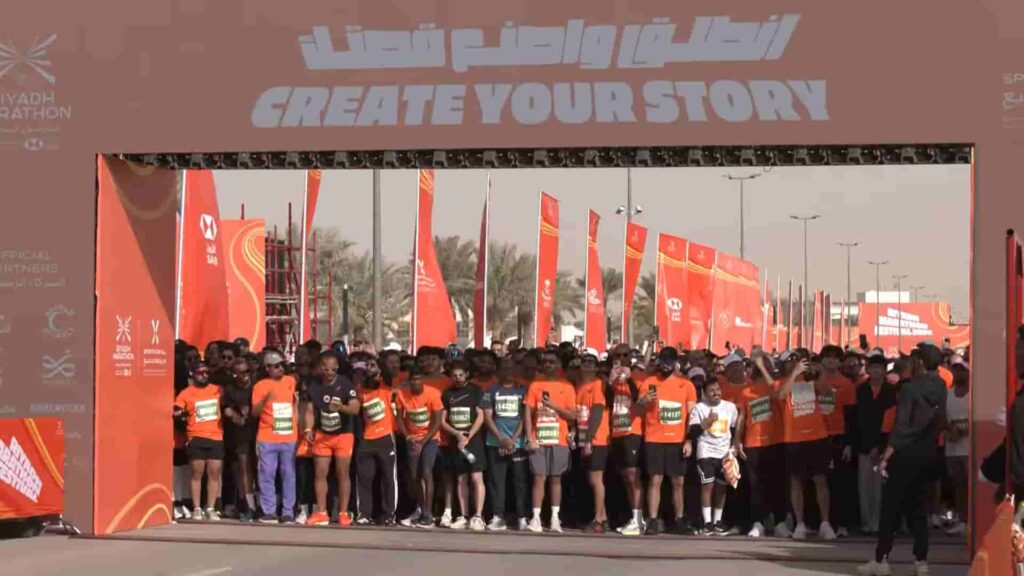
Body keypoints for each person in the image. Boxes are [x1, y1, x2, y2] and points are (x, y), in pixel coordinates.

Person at [859, 344, 948, 576]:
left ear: (918, 362)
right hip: (927, 454)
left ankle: (881, 560)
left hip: (904, 455)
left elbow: (901, 426)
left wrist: (886, 456)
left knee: (890, 509)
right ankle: (921, 562)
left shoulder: (910, 389)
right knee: (918, 510)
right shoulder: (940, 386)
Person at [774, 354, 837, 540]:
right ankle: (800, 522)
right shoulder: (782, 382)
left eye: (798, 360)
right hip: (793, 438)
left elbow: (827, 393)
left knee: (820, 480)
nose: (796, 363)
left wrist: (821, 373)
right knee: (796, 481)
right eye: (791, 361)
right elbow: (780, 396)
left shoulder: (811, 380)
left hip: (817, 436)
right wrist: (794, 374)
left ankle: (825, 523)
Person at [636, 347, 698, 535]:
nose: (666, 365)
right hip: (654, 438)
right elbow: (638, 408)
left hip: (677, 439)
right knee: (655, 479)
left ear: (675, 363)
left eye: (670, 362)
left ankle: (679, 519)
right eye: (663, 361)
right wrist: (645, 399)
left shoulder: (686, 384)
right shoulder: (649, 382)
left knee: (678, 480)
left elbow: (692, 415)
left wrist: (689, 440)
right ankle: (653, 519)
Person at [303, 352, 360, 526]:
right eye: (327, 369)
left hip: (343, 434)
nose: (330, 373)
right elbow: (310, 411)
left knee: (343, 473)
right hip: (323, 435)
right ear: (321, 368)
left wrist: (341, 407)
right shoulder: (314, 386)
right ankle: (321, 512)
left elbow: (355, 409)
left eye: (334, 369)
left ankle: (343, 513)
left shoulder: (345, 384)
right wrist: (308, 428)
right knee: (320, 473)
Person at [524, 350, 577, 533]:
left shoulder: (567, 386)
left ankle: (555, 518)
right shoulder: (535, 385)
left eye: (552, 362)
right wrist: (529, 437)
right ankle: (536, 518)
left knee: (556, 479)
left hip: (559, 438)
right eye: (545, 362)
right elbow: (528, 412)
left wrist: (553, 406)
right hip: (538, 438)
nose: (548, 365)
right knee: (539, 477)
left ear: (559, 365)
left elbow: (572, 415)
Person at [850, 354, 898, 536]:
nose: (876, 371)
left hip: (884, 446)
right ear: (868, 370)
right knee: (864, 485)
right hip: (863, 444)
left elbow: (892, 421)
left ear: (885, 371)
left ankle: (879, 522)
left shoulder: (891, 391)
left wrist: (882, 445)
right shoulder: (860, 390)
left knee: (881, 487)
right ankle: (866, 522)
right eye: (873, 368)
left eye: (880, 368)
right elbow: (855, 420)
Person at [740, 354, 784, 538]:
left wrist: (765, 368)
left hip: (775, 441)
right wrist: (737, 441)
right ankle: (757, 522)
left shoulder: (775, 386)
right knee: (756, 485)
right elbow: (742, 417)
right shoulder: (746, 392)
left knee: (777, 484)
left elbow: (778, 395)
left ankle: (780, 522)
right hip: (753, 442)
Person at [482, 358, 529, 531]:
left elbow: (525, 417)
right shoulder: (491, 390)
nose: (509, 371)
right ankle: (498, 516)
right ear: (500, 371)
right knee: (496, 481)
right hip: (495, 443)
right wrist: (501, 438)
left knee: (520, 482)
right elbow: (487, 416)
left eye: (512, 367)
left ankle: (522, 517)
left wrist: (514, 439)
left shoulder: (523, 390)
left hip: (517, 444)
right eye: (505, 368)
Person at [251, 351, 299, 523]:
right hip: (267, 437)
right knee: (267, 474)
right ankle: (269, 511)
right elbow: (254, 412)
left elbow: (295, 405)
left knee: (288, 473)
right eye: (276, 366)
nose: (280, 369)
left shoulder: (291, 381)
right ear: (268, 368)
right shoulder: (260, 386)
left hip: (289, 436)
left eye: (282, 365)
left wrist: (298, 428)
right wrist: (265, 399)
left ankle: (288, 512)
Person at [440, 360, 487, 530]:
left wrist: (468, 436)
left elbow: (481, 416)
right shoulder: (447, 394)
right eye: (454, 376)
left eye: (461, 375)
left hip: (473, 441)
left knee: (476, 478)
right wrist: (457, 434)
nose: (458, 378)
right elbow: (443, 421)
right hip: (456, 441)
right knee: (461, 479)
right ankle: (463, 515)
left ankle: (478, 516)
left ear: (466, 374)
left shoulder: (475, 391)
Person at [173, 361, 224, 521]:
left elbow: (228, 402)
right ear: (193, 375)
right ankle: (196, 508)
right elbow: (176, 411)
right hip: (196, 436)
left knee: (214, 473)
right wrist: (179, 414)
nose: (204, 375)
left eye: (206, 372)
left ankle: (210, 508)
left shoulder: (217, 390)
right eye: (200, 373)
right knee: (197, 473)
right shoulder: (186, 393)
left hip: (216, 436)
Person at [689, 378, 739, 536]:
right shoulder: (699, 408)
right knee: (707, 486)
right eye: (712, 391)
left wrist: (735, 446)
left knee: (722, 487)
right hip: (706, 452)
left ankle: (717, 521)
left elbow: (735, 427)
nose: (716, 393)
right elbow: (692, 432)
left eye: (717, 389)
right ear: (705, 394)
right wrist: (707, 423)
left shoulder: (729, 407)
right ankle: (707, 523)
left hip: (724, 453)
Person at [817, 345, 858, 537]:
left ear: (840, 362)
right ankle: (819, 522)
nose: (831, 361)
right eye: (827, 357)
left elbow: (851, 416)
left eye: (835, 357)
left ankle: (842, 524)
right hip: (815, 436)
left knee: (841, 483)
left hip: (838, 438)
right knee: (818, 481)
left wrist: (849, 443)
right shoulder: (812, 382)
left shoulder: (846, 384)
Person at [354, 354, 399, 525]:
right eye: (367, 365)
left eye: (372, 365)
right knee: (365, 478)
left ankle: (389, 514)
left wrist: (379, 365)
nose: (369, 368)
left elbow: (388, 373)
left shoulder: (387, 387)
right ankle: (364, 514)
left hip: (386, 437)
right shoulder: (360, 389)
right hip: (366, 438)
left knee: (388, 478)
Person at [396, 369, 444, 529]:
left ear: (422, 380)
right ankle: (420, 508)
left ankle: (428, 513)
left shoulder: (433, 393)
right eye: (413, 380)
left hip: (430, 437)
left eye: (418, 379)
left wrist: (423, 441)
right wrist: (408, 436)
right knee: (413, 475)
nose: (416, 383)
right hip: (412, 437)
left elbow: (437, 421)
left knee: (426, 471)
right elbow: (400, 418)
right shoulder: (402, 394)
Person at [608, 346, 645, 536]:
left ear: (631, 357)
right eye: (617, 356)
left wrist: (629, 377)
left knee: (633, 476)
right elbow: (607, 400)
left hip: (633, 430)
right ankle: (634, 516)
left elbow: (640, 399)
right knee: (625, 477)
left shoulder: (638, 375)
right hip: (617, 430)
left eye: (625, 355)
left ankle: (639, 519)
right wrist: (610, 381)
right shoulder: (612, 375)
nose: (621, 359)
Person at [575, 352, 610, 533]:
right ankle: (602, 517)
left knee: (596, 478)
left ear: (597, 368)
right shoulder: (580, 387)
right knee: (591, 478)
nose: (587, 364)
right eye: (584, 361)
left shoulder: (598, 385)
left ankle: (598, 520)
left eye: (591, 362)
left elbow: (597, 411)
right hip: (584, 438)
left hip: (598, 438)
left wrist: (589, 438)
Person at [222, 357, 258, 521]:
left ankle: (265, 505)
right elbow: (227, 409)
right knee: (244, 469)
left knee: (264, 469)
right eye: (239, 374)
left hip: (260, 431)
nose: (243, 376)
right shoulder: (230, 389)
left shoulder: (257, 385)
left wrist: (249, 410)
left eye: (246, 372)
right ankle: (248, 505)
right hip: (241, 433)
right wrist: (235, 415)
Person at [943, 357, 969, 537]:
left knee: (969, 484)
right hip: (952, 445)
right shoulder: (949, 394)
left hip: (968, 445)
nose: (958, 373)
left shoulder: (974, 394)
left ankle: (970, 519)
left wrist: (963, 430)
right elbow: (942, 416)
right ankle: (961, 519)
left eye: (962, 370)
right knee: (957, 483)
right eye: (956, 370)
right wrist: (950, 429)